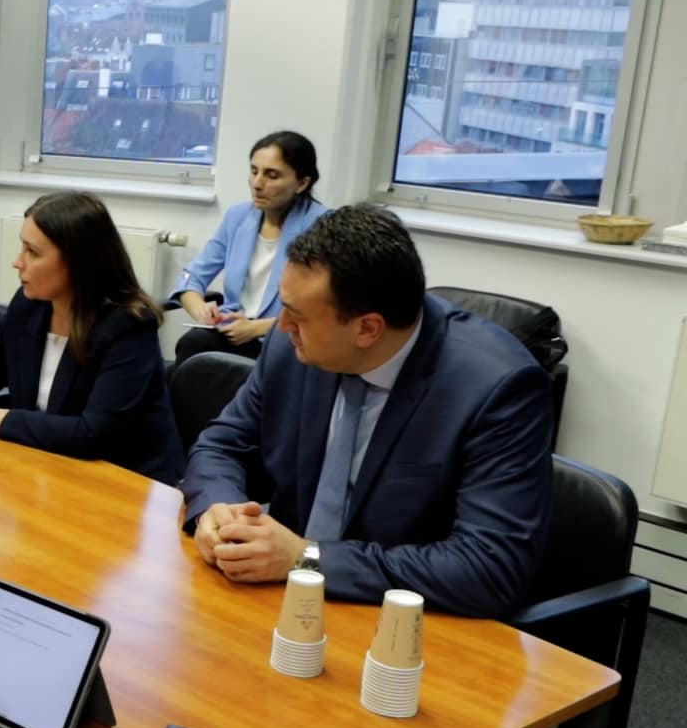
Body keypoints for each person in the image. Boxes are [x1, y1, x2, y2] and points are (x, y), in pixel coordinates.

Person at [183, 204, 554, 618]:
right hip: (279, 600)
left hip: (403, 622)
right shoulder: (293, 347)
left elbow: (489, 566)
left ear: (367, 328)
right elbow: (220, 446)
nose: (281, 326)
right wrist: (220, 512)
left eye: (297, 316)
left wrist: (307, 558)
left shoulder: (496, 388)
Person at [0, 191, 183, 484]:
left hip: (126, 482)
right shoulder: (29, 305)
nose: (18, 262)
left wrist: (5, 419)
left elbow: (94, 433)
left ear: (76, 262)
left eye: (32, 252)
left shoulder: (129, 325)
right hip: (49, 466)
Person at [170, 131, 327, 364]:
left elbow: (325, 311)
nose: (257, 184)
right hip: (235, 331)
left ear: (302, 183)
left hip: (286, 339)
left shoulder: (323, 226)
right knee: (194, 344)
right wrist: (201, 310)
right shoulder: (238, 216)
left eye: (272, 175)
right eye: (254, 171)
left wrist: (256, 328)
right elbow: (192, 277)